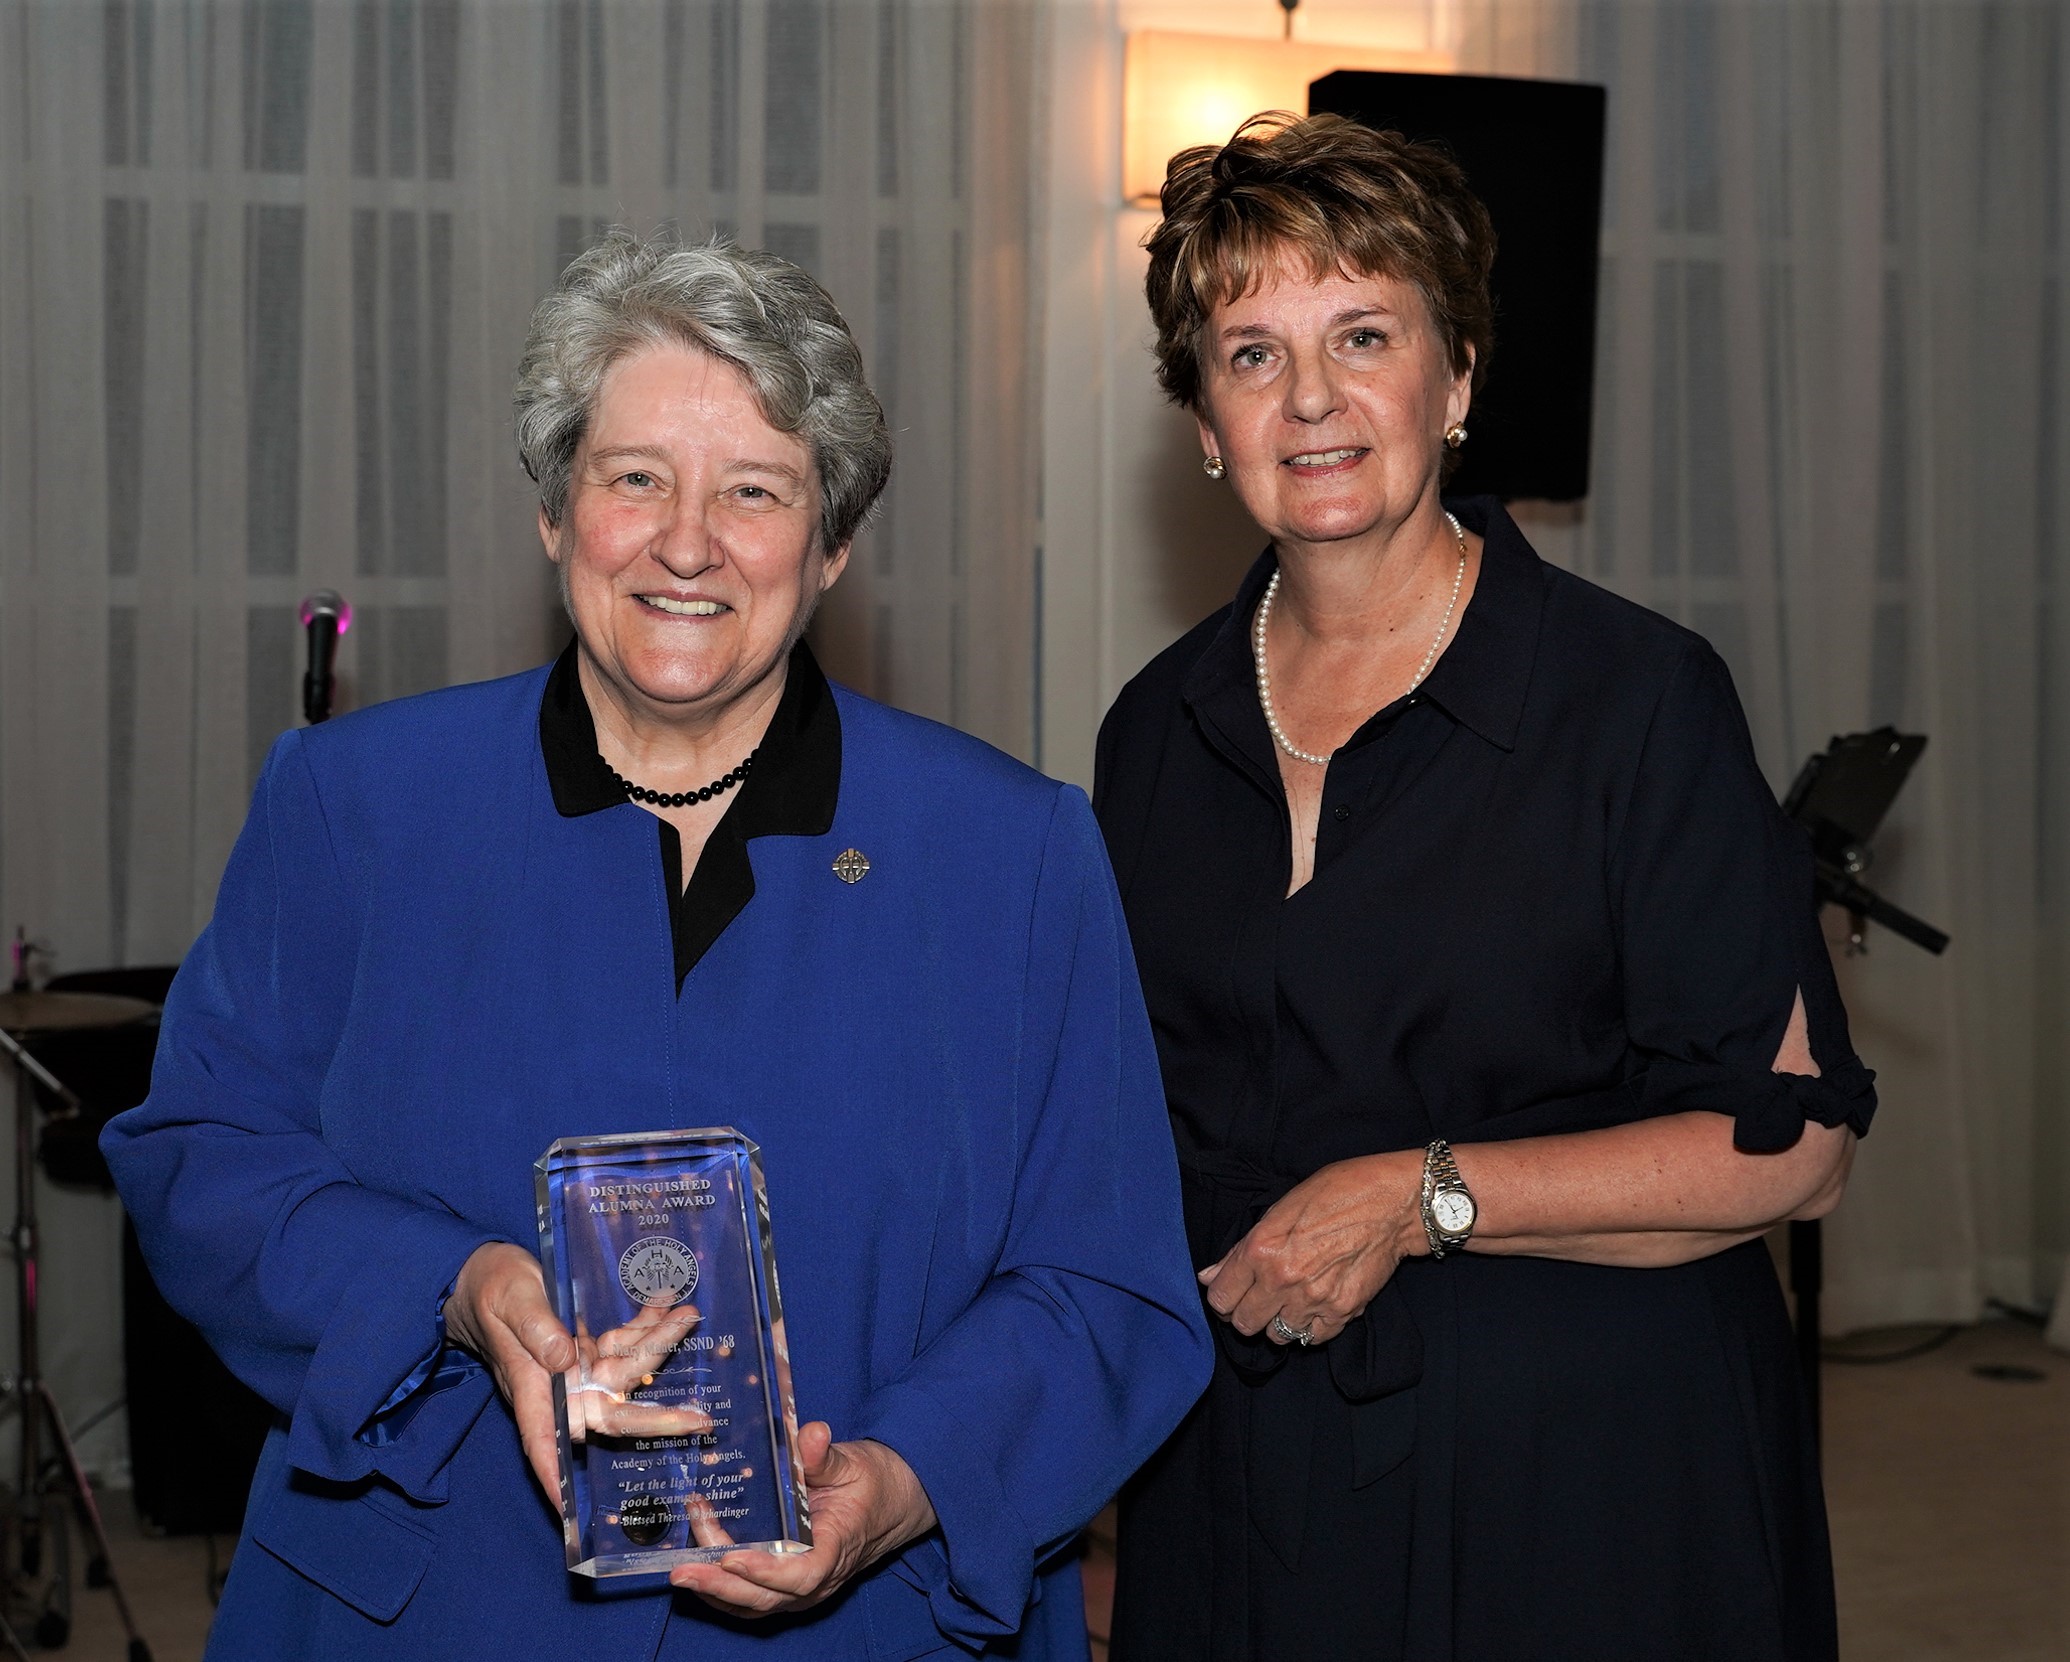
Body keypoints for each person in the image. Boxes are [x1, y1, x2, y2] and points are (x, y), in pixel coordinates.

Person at [105, 230, 1211, 1661]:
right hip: (428, 1610)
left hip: (867, 1627)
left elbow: (1107, 1284)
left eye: (754, 490)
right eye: (634, 478)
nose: (687, 543)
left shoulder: (1013, 853)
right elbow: (204, 1156)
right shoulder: (355, 803)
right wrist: (457, 1288)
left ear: (830, 545)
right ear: (555, 510)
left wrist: (900, 1483)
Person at [1094, 114, 1876, 1662]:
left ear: (1453, 381)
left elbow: (1794, 1153)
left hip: (1581, 1479)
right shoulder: (1154, 729)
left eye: (1361, 336)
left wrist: (1419, 1192)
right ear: (1203, 424)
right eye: (1250, 355)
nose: (1308, 398)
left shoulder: (1632, 698)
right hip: (1249, 1469)